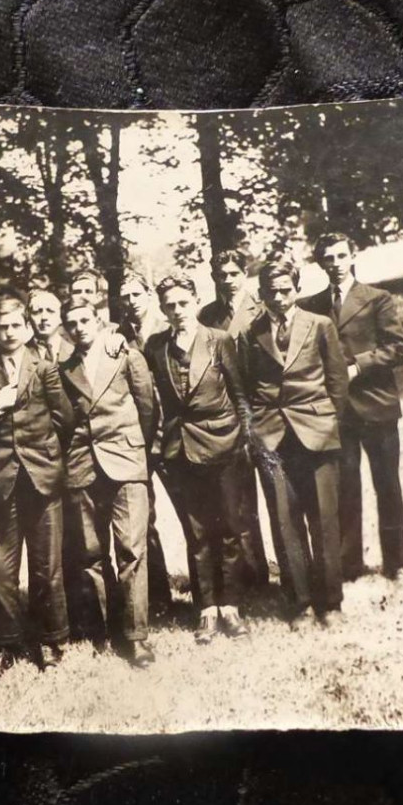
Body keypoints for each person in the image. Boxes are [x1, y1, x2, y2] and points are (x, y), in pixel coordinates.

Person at [0, 296, 74, 680]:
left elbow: (64, 419)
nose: (9, 333)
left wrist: (45, 456)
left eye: (15, 326)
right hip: (1, 482)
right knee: (0, 570)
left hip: (42, 479)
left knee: (46, 567)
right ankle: (5, 644)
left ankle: (50, 637)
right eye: (2, 327)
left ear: (26, 328)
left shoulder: (44, 369)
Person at [237, 258, 350, 628]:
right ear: (262, 294)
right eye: (272, 292)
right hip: (272, 437)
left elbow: (337, 381)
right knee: (285, 522)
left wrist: (331, 426)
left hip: (316, 432)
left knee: (324, 519)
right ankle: (299, 603)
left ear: (296, 289)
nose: (280, 297)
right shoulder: (251, 333)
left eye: (286, 289)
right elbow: (245, 387)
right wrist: (255, 435)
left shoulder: (320, 325)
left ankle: (330, 603)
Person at [144, 274, 253, 644]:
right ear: (162, 308)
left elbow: (239, 395)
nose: (177, 310)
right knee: (197, 532)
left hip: (223, 444)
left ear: (194, 301)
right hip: (181, 451)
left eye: (182, 302)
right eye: (169, 305)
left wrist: (244, 440)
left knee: (229, 528)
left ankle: (232, 606)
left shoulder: (218, 340)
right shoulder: (156, 347)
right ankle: (206, 609)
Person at [301, 233, 403, 580]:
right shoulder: (311, 305)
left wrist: (356, 366)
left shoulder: (377, 298)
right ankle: (350, 565)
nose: (334, 264)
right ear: (320, 263)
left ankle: (398, 562)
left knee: (387, 485)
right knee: (346, 489)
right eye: (327, 258)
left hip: (376, 406)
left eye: (340, 256)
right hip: (338, 412)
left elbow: (396, 346)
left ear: (352, 256)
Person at [56, 296, 159, 667]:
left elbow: (147, 407)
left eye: (85, 320)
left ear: (99, 320)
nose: (79, 327)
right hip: (82, 466)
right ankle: (104, 631)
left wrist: (137, 450)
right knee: (90, 554)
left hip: (127, 460)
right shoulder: (63, 367)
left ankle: (136, 637)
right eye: (72, 323)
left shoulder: (125, 354)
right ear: (65, 328)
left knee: (132, 549)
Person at [198, 248, 271, 588]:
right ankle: (251, 575)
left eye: (232, 273)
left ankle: (287, 575)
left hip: (265, 410)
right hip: (230, 416)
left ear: (245, 273)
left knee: (276, 497)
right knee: (238, 503)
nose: (227, 280)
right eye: (220, 275)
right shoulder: (207, 316)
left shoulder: (263, 308)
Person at [113, 268, 177, 620]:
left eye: (135, 295)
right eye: (124, 297)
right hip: (139, 441)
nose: (130, 302)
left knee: (192, 514)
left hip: (172, 434)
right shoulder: (119, 336)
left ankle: (210, 596)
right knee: (144, 521)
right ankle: (159, 597)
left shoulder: (164, 328)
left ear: (149, 294)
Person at [27, 288, 74, 364]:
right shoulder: (20, 354)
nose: (44, 317)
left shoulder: (74, 352)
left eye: (50, 311)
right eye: (36, 312)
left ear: (61, 316)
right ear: (28, 317)